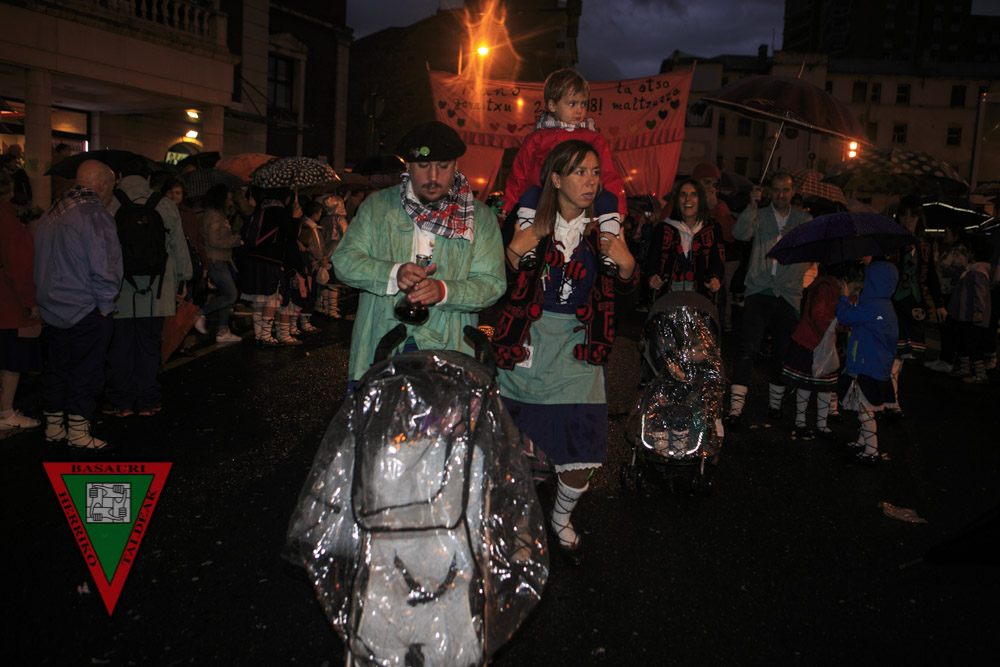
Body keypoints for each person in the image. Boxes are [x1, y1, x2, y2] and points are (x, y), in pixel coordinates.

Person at [493, 139, 638, 564]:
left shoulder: (605, 230)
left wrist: (628, 266)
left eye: (595, 173)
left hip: (580, 346)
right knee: (516, 442)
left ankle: (560, 516)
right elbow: (500, 282)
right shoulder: (530, 222)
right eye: (579, 172)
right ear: (555, 179)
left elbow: (625, 300)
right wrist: (517, 249)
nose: (591, 181)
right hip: (529, 344)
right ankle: (521, 524)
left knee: (584, 443)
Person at [332, 121, 505, 386]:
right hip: (381, 348)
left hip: (450, 353)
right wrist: (393, 273)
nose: (433, 176)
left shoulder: (479, 218)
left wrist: (444, 291)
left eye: (443, 166)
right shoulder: (377, 207)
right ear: (408, 167)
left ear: (456, 166)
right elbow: (343, 261)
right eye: (423, 166)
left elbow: (492, 284)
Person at [33, 160, 123, 449]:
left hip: (54, 308)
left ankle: (54, 427)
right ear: (102, 186)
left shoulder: (51, 213)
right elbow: (105, 265)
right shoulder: (94, 215)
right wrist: (105, 306)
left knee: (57, 369)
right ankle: (78, 432)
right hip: (86, 308)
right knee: (86, 371)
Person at [502, 69, 627, 275]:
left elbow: (608, 174)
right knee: (529, 195)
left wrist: (619, 207)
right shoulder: (538, 138)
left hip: (581, 209)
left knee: (607, 198)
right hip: (543, 201)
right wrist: (508, 204)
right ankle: (528, 250)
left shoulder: (594, 138)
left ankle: (609, 252)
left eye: (583, 104)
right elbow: (519, 174)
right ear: (552, 105)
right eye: (572, 104)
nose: (579, 110)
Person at [104, 158, 193, 417]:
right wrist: (183, 280)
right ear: (149, 178)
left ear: (120, 175)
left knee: (120, 345)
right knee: (149, 345)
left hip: (119, 290)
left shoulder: (109, 203)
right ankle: (147, 401)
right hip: (157, 290)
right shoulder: (164, 205)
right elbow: (178, 248)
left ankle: (120, 401)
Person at [726, 172, 812, 427]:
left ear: (793, 191)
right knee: (747, 348)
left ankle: (775, 404)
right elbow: (739, 233)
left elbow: (810, 255)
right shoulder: (760, 214)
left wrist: (796, 242)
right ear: (769, 191)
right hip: (759, 291)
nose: (780, 194)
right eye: (775, 189)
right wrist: (751, 206)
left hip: (788, 294)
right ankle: (735, 408)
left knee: (783, 352)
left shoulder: (803, 221)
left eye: (785, 189)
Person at [780, 265, 862, 440]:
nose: (856, 292)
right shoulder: (824, 287)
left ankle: (822, 425)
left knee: (826, 386)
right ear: (845, 281)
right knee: (806, 383)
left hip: (827, 344)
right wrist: (835, 326)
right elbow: (817, 316)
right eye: (855, 288)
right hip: (809, 341)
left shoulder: (846, 295)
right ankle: (800, 421)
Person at [835, 260, 900, 464]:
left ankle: (872, 450)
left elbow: (845, 317)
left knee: (864, 410)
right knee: (864, 407)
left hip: (867, 367)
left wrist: (844, 296)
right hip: (876, 366)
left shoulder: (873, 306)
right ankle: (863, 441)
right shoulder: (885, 305)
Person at [886, 197, 942, 417]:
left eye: (913, 215)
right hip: (893, 303)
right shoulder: (891, 240)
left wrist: (939, 304)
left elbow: (931, 276)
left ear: (919, 218)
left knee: (901, 355)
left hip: (914, 305)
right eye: (904, 215)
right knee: (894, 353)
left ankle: (889, 397)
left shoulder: (924, 244)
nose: (908, 220)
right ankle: (891, 401)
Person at [0, 171, 42, 431]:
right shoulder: (10, 224)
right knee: (11, 362)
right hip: (9, 305)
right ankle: (5, 412)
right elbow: (21, 269)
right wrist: (31, 302)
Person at [239, 187, 305, 346]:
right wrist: (296, 217)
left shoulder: (260, 209)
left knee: (259, 299)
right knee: (271, 298)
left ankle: (259, 336)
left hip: (253, 258)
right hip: (270, 259)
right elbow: (290, 235)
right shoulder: (279, 211)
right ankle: (266, 336)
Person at [644, 178, 725, 302]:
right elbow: (651, 260)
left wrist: (715, 279)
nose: (688, 199)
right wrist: (653, 278)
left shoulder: (712, 229)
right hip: (668, 298)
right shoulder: (664, 228)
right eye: (683, 195)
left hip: (701, 298)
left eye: (694, 195)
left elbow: (718, 261)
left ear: (701, 199)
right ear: (677, 200)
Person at [692, 163, 739, 329]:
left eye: (714, 184)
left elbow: (731, 235)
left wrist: (716, 208)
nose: (711, 188)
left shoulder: (720, 207)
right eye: (706, 182)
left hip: (712, 275)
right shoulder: (684, 203)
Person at [194, 184, 242, 343]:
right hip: (215, 260)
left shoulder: (219, 215)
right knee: (231, 295)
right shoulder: (214, 216)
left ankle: (223, 330)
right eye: (228, 199)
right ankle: (200, 313)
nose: (230, 202)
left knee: (225, 295)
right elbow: (215, 241)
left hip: (220, 259)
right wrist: (235, 240)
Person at [946, 239, 993, 384]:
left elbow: (980, 294)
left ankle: (980, 374)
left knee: (973, 344)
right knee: (965, 342)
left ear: (973, 254)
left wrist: (978, 313)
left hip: (972, 316)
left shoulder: (977, 271)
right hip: (967, 315)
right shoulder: (972, 270)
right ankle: (966, 369)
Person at [925, 224, 971, 373]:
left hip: (952, 292)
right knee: (944, 326)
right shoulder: (946, 249)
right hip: (943, 291)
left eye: (947, 232)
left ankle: (948, 359)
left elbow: (961, 271)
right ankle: (944, 357)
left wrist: (940, 266)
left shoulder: (959, 250)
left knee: (949, 327)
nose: (944, 235)